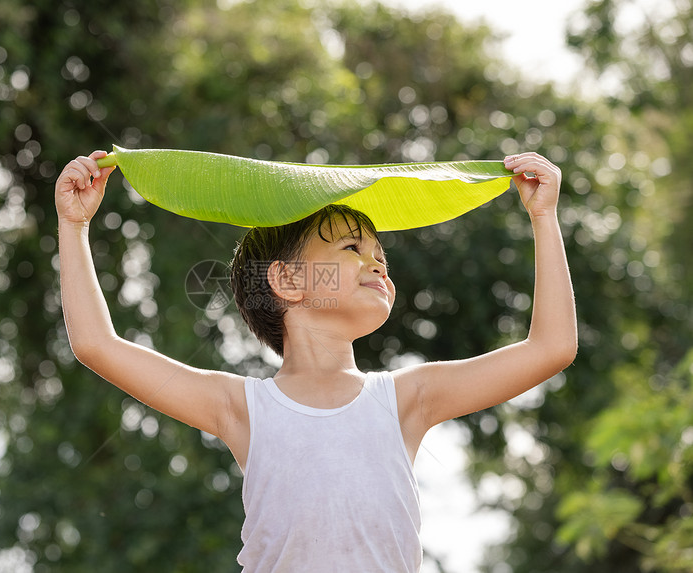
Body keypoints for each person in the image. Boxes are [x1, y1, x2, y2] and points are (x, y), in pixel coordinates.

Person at [55, 149, 577, 571]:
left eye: (380, 255)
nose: (376, 261)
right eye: (352, 247)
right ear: (285, 280)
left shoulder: (408, 399)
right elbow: (96, 344)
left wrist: (544, 216)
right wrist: (74, 227)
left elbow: (552, 348)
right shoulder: (241, 408)